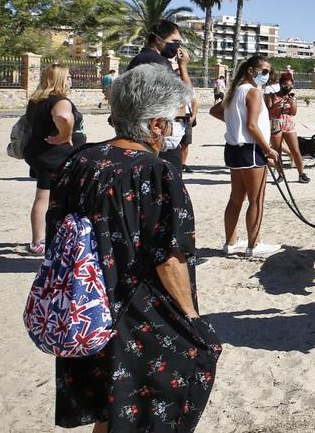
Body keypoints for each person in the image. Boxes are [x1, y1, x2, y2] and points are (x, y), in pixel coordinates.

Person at [45, 64, 221, 432]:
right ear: (156, 124)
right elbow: (169, 256)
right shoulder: (155, 171)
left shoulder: (80, 160)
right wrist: (191, 318)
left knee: (109, 412)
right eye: (173, 119)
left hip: (84, 308)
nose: (175, 128)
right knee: (142, 409)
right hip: (135, 311)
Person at [210, 55, 281, 258]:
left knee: (236, 198)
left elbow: (216, 111)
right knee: (256, 199)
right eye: (264, 71)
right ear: (251, 70)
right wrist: (268, 149)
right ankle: (253, 244)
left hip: (233, 149)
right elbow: (251, 125)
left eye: (269, 72)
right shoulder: (252, 92)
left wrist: (234, 122)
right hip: (250, 150)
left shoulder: (234, 91)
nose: (267, 76)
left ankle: (230, 242)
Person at [23, 64, 87, 255]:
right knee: (49, 197)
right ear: (60, 79)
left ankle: (38, 240)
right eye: (67, 76)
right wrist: (65, 136)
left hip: (40, 152)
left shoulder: (37, 100)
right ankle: (42, 240)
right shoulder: (60, 101)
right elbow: (63, 117)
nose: (70, 80)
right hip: (55, 155)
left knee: (44, 196)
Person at [127, 19, 197, 173]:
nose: (178, 46)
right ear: (158, 39)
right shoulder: (157, 61)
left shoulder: (143, 58)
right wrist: (183, 67)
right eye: (174, 41)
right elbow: (186, 96)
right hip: (156, 136)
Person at [267, 71, 310, 184]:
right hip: (276, 123)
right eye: (286, 85)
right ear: (280, 84)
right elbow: (269, 111)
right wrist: (277, 105)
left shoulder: (292, 97)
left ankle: (301, 173)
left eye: (290, 85)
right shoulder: (272, 96)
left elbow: (293, 113)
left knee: (295, 150)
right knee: (277, 151)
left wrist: (293, 104)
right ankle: (281, 175)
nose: (288, 87)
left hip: (289, 124)